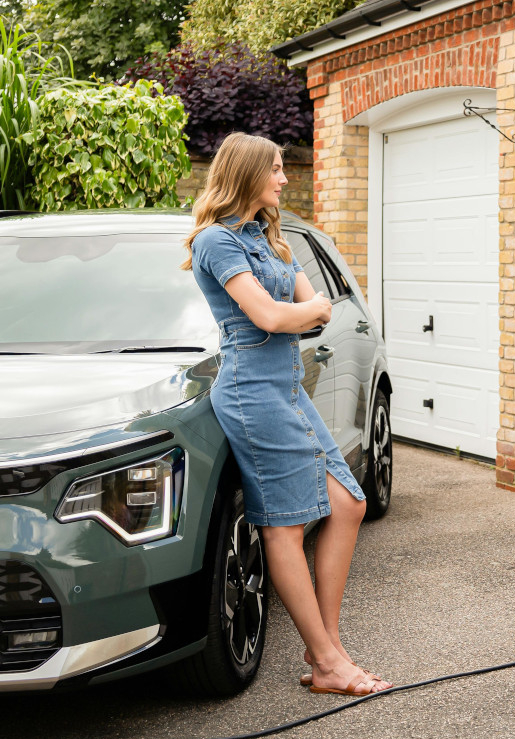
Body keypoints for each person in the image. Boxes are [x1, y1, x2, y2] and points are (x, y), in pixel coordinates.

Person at [182, 132, 392, 697]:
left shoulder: (268, 239)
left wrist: (302, 310)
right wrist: (301, 310)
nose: (283, 178)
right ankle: (328, 661)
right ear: (247, 173)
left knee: (348, 503)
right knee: (285, 523)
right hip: (252, 391)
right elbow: (273, 316)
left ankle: (327, 646)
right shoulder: (216, 242)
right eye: (275, 170)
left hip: (289, 386)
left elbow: (312, 308)